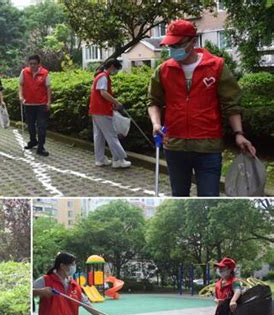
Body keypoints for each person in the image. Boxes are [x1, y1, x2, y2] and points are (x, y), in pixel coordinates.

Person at [148, 19, 256, 197]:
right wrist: (156, 123)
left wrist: (239, 134)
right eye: (170, 44)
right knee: (179, 197)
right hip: (174, 145)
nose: (172, 49)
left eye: (177, 44)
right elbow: (153, 102)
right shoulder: (163, 70)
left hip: (208, 147)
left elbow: (231, 104)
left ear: (192, 41)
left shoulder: (216, 67)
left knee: (209, 197)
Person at [89, 59, 132, 169]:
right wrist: (116, 102)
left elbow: (100, 94)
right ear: (112, 66)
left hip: (95, 110)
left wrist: (111, 103)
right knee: (111, 135)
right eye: (116, 69)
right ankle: (118, 160)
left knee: (99, 135)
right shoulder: (103, 76)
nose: (116, 71)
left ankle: (100, 159)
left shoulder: (99, 75)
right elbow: (103, 93)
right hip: (102, 111)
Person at [19, 55, 51, 157]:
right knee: (30, 125)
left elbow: (48, 88)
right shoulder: (24, 72)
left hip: (41, 104)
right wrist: (20, 96)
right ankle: (33, 141)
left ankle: (41, 147)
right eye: (31, 64)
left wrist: (49, 102)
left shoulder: (45, 73)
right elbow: (20, 85)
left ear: (39, 64)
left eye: (34, 64)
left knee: (41, 126)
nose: (32, 66)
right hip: (28, 103)